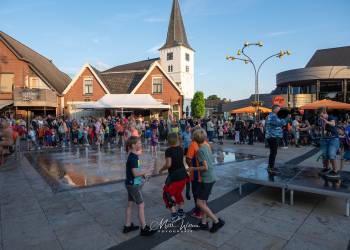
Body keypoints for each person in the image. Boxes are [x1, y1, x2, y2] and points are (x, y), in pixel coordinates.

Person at [189, 128, 225, 233]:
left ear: (194, 139)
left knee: (199, 203)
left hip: (207, 179)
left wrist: (192, 168)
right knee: (203, 202)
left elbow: (205, 167)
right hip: (210, 177)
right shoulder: (206, 145)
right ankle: (203, 223)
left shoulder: (200, 151)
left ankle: (216, 221)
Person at [123, 136, 156, 236]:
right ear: (133, 145)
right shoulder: (133, 158)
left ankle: (127, 226)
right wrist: (146, 171)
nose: (141, 144)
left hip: (130, 183)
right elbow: (135, 173)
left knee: (130, 204)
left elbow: (136, 170)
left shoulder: (133, 155)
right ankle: (144, 228)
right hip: (133, 185)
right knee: (141, 205)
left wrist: (144, 173)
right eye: (139, 143)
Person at [159, 133, 189, 222]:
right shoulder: (181, 149)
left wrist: (161, 169)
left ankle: (174, 215)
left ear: (168, 140)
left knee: (166, 194)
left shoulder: (169, 151)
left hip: (175, 177)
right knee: (177, 193)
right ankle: (180, 212)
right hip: (183, 175)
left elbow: (169, 164)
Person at [265, 105, 289, 173]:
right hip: (272, 136)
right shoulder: (272, 116)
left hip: (273, 136)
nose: (280, 110)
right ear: (274, 109)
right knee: (273, 152)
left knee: (273, 152)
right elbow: (279, 123)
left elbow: (282, 123)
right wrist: (286, 118)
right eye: (279, 109)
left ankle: (270, 166)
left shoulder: (275, 116)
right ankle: (270, 168)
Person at [318, 108, 340, 179]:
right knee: (325, 155)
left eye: (322, 115)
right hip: (324, 139)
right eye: (320, 116)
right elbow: (313, 126)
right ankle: (327, 168)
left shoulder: (331, 117)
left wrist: (326, 121)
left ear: (325, 113)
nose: (321, 117)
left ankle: (335, 171)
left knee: (331, 154)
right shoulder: (320, 119)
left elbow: (333, 124)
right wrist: (302, 129)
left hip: (333, 139)